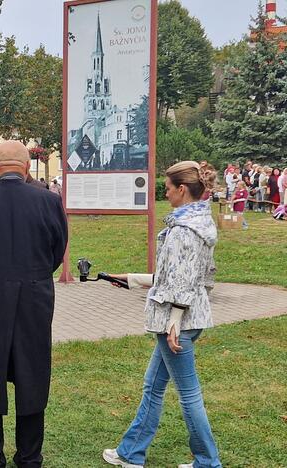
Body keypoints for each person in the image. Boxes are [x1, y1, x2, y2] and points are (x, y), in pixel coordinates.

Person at [102, 161, 222, 468]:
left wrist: (174, 320)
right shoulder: (200, 224)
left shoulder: (184, 231)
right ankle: (131, 453)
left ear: (182, 190)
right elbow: (189, 277)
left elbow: (183, 281)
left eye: (167, 188)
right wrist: (132, 279)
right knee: (153, 386)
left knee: (188, 395)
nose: (165, 193)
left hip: (177, 323)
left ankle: (208, 462)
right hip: (184, 318)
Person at [0, 140, 68, 468]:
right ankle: (30, 458)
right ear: (27, 168)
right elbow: (56, 251)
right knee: (32, 376)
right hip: (34, 300)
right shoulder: (49, 201)